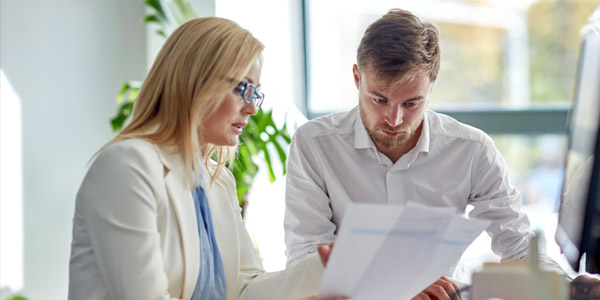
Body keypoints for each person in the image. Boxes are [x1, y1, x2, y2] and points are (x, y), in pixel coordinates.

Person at [284, 8, 565, 300]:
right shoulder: (315, 144)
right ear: (357, 77)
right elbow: (305, 260)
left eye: (411, 103)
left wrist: (568, 287)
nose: (394, 119)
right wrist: (397, 288)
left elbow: (519, 247)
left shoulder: (472, 150)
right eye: (379, 99)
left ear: (432, 84)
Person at [68, 17, 346, 300]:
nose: (251, 108)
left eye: (256, 93)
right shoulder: (127, 167)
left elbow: (245, 289)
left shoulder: (217, 181)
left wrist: (324, 266)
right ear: (197, 82)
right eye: (243, 89)